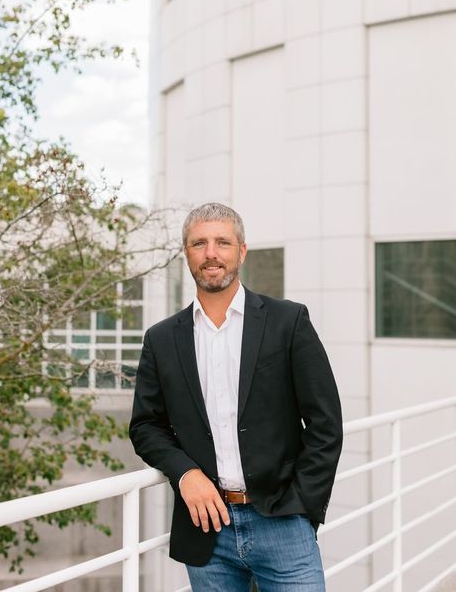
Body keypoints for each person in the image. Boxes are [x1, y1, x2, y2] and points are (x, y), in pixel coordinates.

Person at [129, 203, 343, 591]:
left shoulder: (287, 321)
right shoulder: (161, 339)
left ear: (241, 251)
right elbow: (146, 426)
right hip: (206, 530)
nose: (211, 253)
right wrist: (185, 473)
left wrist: (302, 507)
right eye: (200, 243)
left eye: (222, 242)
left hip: (283, 523)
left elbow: (325, 422)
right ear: (186, 253)